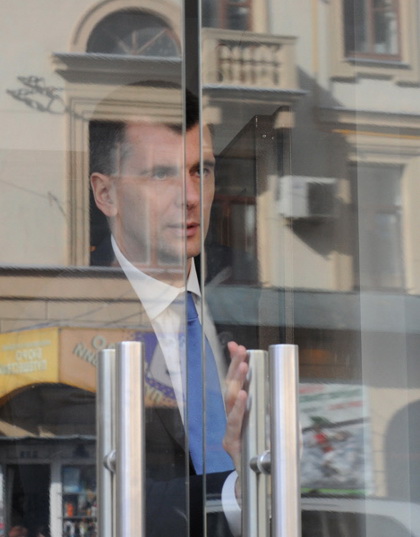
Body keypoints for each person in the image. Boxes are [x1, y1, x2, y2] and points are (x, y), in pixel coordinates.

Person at [90, 88, 248, 536]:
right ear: (106, 193)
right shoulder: (76, 317)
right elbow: (83, 494)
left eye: (202, 171)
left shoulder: (253, 293)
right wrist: (240, 490)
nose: (191, 196)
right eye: (161, 174)